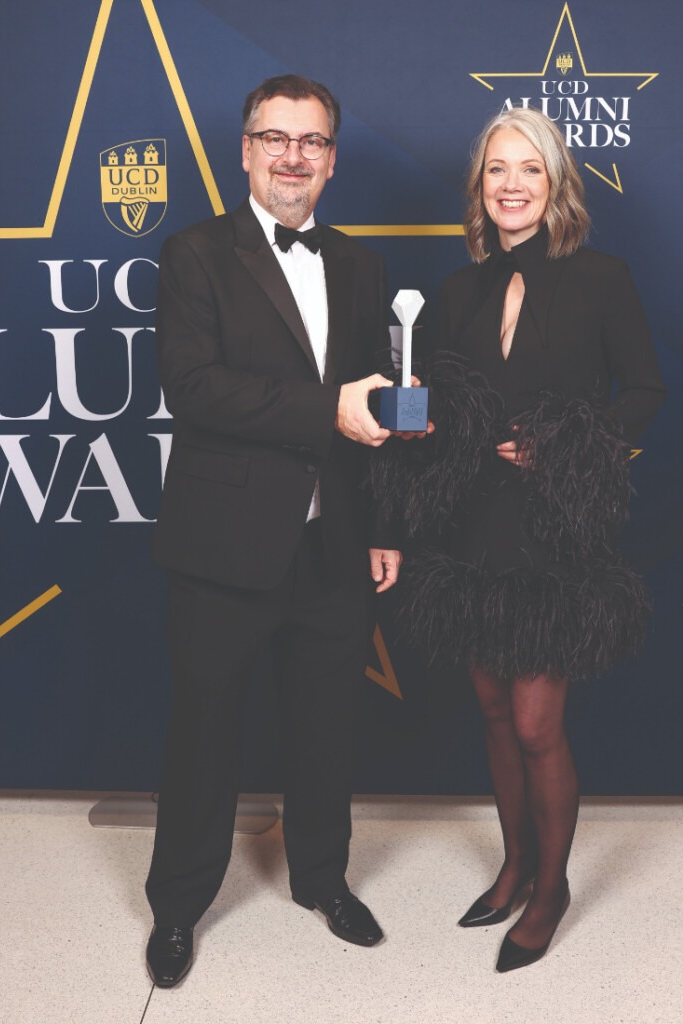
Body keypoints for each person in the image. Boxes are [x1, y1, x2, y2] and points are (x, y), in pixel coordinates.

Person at [145, 74, 403, 988]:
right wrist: (325, 408)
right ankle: (177, 908)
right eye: (275, 137)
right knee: (204, 731)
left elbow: (372, 404)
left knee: (326, 727)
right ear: (245, 150)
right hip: (223, 546)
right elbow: (196, 389)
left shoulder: (360, 264)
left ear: (332, 160)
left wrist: (381, 526)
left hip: (332, 543)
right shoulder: (194, 253)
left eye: (312, 141)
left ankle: (323, 882)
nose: (294, 155)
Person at [397, 107, 666, 972]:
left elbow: (646, 391)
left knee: (535, 722)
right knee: (488, 710)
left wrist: (567, 441)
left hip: (555, 528)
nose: (510, 185)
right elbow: (438, 404)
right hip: (471, 527)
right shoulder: (454, 290)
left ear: (555, 184)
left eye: (529, 170)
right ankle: (513, 864)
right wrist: (409, 421)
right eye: (494, 171)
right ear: (478, 188)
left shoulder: (601, 277)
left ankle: (551, 889)